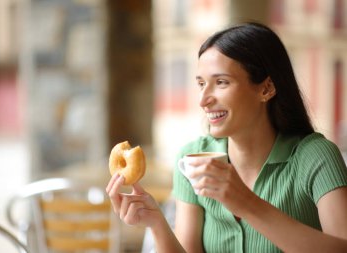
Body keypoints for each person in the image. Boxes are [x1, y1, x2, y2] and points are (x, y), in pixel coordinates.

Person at [106, 22, 347, 253]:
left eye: (221, 82)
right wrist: (156, 223)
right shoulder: (192, 159)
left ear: (266, 88)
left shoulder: (316, 157)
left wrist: (247, 204)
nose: (203, 100)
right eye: (201, 84)